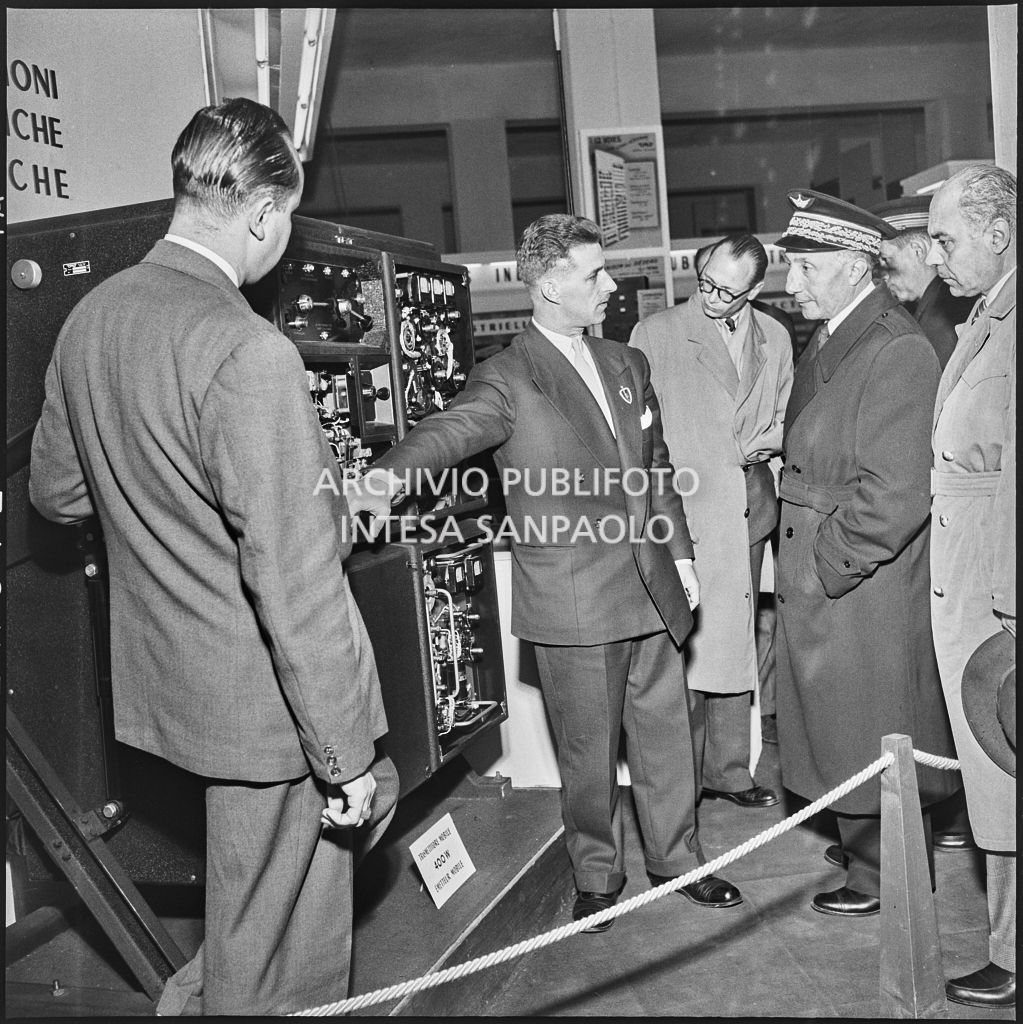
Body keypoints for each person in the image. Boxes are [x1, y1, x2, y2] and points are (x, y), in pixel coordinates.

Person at [29, 98, 398, 1016]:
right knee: (283, 959)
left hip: (168, 688)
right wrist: (346, 755)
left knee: (244, 921)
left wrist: (157, 508)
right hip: (266, 709)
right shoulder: (248, 348)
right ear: (265, 214)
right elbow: (295, 578)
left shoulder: (91, 320)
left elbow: (57, 494)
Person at [368, 214, 742, 932]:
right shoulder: (506, 376)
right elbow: (450, 431)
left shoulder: (625, 364)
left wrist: (684, 554)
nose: (609, 285)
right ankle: (597, 878)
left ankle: (679, 861)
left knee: (668, 741)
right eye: (594, 274)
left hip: (653, 587)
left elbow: (656, 467)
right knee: (588, 755)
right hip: (574, 602)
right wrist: (380, 482)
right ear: (547, 285)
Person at [773, 189, 958, 918]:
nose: (791, 286)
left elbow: (895, 495)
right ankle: (866, 853)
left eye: (805, 269)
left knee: (869, 722)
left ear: (855, 267)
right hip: (833, 583)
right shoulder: (838, 335)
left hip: (857, 587)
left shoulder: (895, 349)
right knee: (845, 726)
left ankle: (883, 875)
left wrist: (825, 565)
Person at [630, 233, 792, 809]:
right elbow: (640, 434)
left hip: (749, 507)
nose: (712, 297)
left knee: (736, 640)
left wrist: (765, 449)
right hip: (687, 512)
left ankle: (728, 770)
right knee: (689, 646)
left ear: (754, 290)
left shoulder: (774, 335)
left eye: (727, 291)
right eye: (705, 282)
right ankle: (684, 779)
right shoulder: (656, 334)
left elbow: (781, 416)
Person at [925, 163, 1016, 1008]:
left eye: (946, 238)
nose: (932, 254)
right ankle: (1009, 947)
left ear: (996, 233)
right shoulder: (983, 317)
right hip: (975, 598)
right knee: (999, 786)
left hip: (1001, 607)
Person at [873, 193, 978, 853]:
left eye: (889, 263)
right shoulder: (931, 314)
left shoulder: (939, 321)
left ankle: (959, 810)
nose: (886, 279)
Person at [872, 194, 975, 369]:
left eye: (887, 260)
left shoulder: (942, 320)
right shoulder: (938, 305)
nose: (885, 276)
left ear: (918, 250)